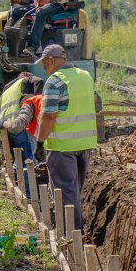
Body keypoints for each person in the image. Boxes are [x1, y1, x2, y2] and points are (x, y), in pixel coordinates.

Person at [34, 44, 97, 229]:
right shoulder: (85, 77)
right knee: (75, 192)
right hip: (85, 145)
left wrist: (39, 142)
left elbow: (48, 116)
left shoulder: (54, 82)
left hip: (62, 147)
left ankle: (71, 238)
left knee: (66, 196)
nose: (44, 69)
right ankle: (77, 234)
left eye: (45, 64)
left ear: (52, 60)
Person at [0, 73, 42, 165]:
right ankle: (29, 179)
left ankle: (19, 178)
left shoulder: (7, 90)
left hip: (6, 128)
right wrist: (39, 98)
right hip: (21, 127)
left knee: (18, 161)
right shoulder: (26, 82)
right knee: (28, 162)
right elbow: (39, 81)